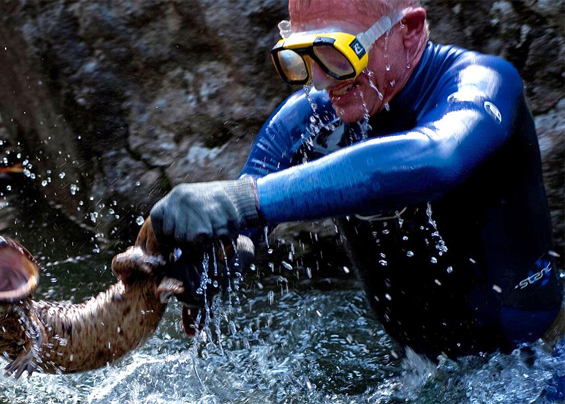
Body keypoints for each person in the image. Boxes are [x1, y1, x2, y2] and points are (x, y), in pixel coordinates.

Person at [150, 0, 562, 367]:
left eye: (337, 54)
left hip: (534, 366)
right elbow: (242, 228)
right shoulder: (309, 119)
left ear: (410, 29)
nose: (320, 82)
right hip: (419, 373)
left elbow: (436, 158)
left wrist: (247, 200)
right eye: (302, 57)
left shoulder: (484, 82)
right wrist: (207, 267)